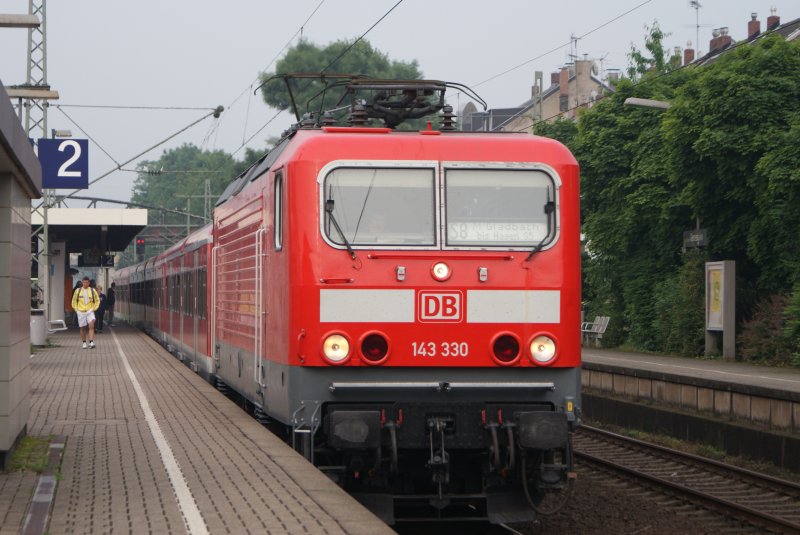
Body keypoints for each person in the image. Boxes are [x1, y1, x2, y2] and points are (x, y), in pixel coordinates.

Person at [71, 276, 100, 349]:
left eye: (86, 282)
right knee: (82, 328)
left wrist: (94, 308)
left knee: (91, 325)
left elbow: (97, 300)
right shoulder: (78, 291)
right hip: (81, 311)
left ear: (89, 283)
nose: (85, 284)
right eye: (84, 282)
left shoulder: (92, 290)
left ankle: (91, 341)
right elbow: (74, 300)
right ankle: (84, 342)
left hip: (90, 311)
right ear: (82, 282)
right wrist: (76, 309)